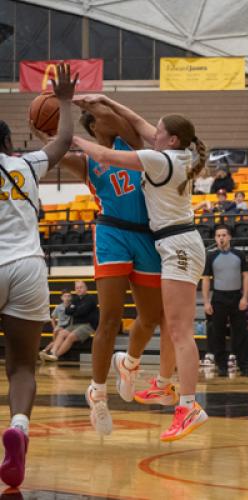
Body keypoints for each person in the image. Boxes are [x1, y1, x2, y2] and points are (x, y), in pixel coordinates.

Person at [41, 94, 177, 436]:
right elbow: (55, 150)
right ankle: (98, 394)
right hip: (111, 233)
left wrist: (84, 99)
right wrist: (56, 114)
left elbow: (111, 113)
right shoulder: (86, 160)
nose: (104, 115)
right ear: (92, 126)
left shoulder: (128, 143)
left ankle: (128, 363)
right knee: (110, 317)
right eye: (97, 115)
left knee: (150, 319)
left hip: (146, 234)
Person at [73, 107, 209, 441]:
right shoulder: (177, 153)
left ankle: (189, 405)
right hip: (170, 241)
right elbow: (138, 123)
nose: (152, 131)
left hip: (175, 242)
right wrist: (104, 99)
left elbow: (110, 149)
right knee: (167, 324)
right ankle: (160, 385)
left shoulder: (159, 159)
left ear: (171, 139)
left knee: (178, 330)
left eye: (158, 129)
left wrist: (69, 137)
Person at [0, 63, 76, 488]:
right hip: (28, 266)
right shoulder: (26, 165)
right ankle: (20, 427)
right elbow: (64, 140)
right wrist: (63, 101)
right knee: (23, 366)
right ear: (10, 143)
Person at [201, 224, 248, 377]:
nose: (221, 238)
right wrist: (206, 301)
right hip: (219, 298)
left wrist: (245, 297)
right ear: (215, 238)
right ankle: (222, 366)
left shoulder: (240, 255)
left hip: (237, 297)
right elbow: (205, 279)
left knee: (241, 333)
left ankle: (245, 366)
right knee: (218, 334)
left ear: (229, 237)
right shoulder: (210, 256)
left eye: (224, 235)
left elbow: (246, 276)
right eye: (218, 236)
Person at [41, 281, 98, 361]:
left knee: (70, 336)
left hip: (88, 325)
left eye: (81, 287)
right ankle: (52, 352)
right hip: (75, 325)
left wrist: (74, 310)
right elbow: (67, 311)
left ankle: (55, 356)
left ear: (86, 288)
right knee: (62, 333)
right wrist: (75, 310)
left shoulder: (90, 298)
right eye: (77, 288)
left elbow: (82, 311)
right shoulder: (75, 299)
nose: (79, 289)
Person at [39, 289, 72, 360]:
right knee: (56, 333)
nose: (67, 298)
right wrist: (55, 327)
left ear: (71, 297)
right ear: (62, 298)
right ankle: (47, 352)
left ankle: (45, 350)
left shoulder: (72, 306)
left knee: (56, 337)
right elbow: (53, 318)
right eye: (65, 296)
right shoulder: (58, 307)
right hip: (60, 327)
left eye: (69, 296)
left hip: (68, 327)